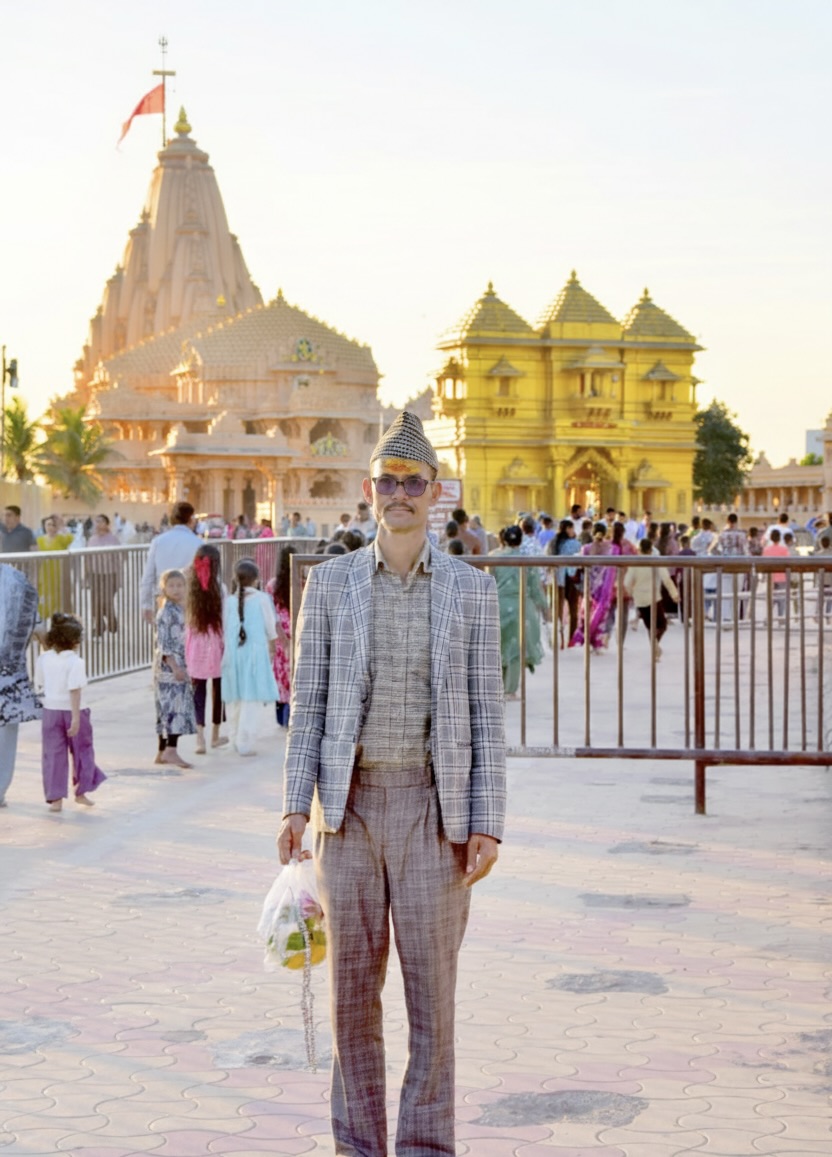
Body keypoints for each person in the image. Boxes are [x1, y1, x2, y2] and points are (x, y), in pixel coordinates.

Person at [278, 410, 505, 1157]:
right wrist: (292, 803)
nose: (399, 494)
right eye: (387, 481)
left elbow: (484, 713)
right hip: (348, 812)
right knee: (351, 1000)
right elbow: (307, 703)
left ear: (435, 492)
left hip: (433, 813)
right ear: (368, 490)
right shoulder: (333, 584)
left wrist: (487, 819)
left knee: (431, 1001)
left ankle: (425, 1147)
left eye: (413, 481)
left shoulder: (470, 591)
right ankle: (358, 1146)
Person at [35, 613, 106, 811]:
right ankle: (81, 792)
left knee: (53, 754)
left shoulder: (44, 658)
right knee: (82, 750)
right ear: (75, 641)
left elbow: (40, 683)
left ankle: (55, 799)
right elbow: (74, 690)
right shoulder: (76, 662)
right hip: (75, 711)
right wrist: (75, 718)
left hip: (50, 711)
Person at [221, 558, 278, 756]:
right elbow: (270, 626)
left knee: (234, 699)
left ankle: (233, 738)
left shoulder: (229, 601)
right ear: (256, 580)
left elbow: (224, 629)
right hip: (254, 654)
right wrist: (273, 645)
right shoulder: (262, 599)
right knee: (251, 699)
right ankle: (244, 743)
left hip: (234, 655)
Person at [0, 565, 42, 807]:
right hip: (9, 672)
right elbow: (34, 624)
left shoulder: (16, 579)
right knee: (5, 731)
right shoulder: (17, 579)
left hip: (8, 670)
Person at [491, 524, 549, 697]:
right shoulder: (527, 560)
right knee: (516, 649)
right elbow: (535, 588)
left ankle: (498, 687)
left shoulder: (493, 557)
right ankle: (510, 690)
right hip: (521, 607)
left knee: (499, 647)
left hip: (498, 606)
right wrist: (545, 608)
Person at [185, 545, 228, 754]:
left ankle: (199, 739)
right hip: (216, 644)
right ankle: (215, 736)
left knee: (198, 690)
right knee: (219, 690)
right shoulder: (220, 588)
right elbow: (225, 619)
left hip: (196, 644)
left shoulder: (189, 588)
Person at [154, 569, 196, 768]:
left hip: (179, 662)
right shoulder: (167, 611)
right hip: (171, 666)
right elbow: (164, 643)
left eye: (180, 585)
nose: (176, 589)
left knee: (166, 708)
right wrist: (175, 667)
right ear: (164, 588)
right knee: (174, 708)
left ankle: (162, 751)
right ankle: (171, 749)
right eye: (172, 586)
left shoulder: (179, 608)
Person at [140, 502, 201, 623]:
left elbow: (148, 576)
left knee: (164, 638)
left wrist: (145, 604)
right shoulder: (198, 544)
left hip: (164, 599)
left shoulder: (158, 541)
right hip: (189, 600)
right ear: (191, 519)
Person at [624, 540, 679, 660]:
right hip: (653, 597)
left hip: (639, 599)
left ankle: (655, 650)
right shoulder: (655, 561)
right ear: (650, 549)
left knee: (651, 627)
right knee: (662, 625)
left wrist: (630, 593)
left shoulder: (635, 563)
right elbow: (666, 579)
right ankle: (655, 645)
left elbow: (627, 582)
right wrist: (674, 593)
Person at [266, 545, 296, 728]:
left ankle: (281, 715)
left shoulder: (272, 585)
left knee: (281, 674)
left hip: (280, 634)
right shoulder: (302, 581)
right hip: (298, 632)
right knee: (294, 672)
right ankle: (292, 713)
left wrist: (280, 638)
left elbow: (272, 614)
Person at [85, 514, 122, 635]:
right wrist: (86, 576)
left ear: (107, 524)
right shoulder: (92, 540)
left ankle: (112, 622)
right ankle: (99, 625)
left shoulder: (113, 539)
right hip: (95, 574)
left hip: (109, 574)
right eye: (96, 521)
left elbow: (118, 559)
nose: (98, 524)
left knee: (107, 600)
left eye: (101, 521)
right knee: (95, 602)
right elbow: (88, 559)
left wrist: (118, 578)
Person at [35, 515, 74, 617]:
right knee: (44, 598)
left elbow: (70, 538)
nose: (51, 527)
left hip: (59, 574)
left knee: (59, 598)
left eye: (53, 525)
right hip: (44, 574)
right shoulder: (39, 540)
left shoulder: (61, 539)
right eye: (48, 524)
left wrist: (62, 526)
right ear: (44, 526)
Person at [550, 519, 581, 647]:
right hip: (572, 577)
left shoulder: (554, 543)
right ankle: (571, 639)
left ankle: (559, 638)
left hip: (558, 577)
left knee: (558, 610)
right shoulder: (574, 543)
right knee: (573, 610)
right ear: (568, 529)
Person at [762, 528, 790, 619]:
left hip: (771, 577)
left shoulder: (766, 550)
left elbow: (763, 564)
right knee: (781, 598)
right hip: (782, 576)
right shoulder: (784, 549)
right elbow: (788, 563)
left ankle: (768, 618)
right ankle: (781, 618)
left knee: (771, 599)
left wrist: (763, 577)